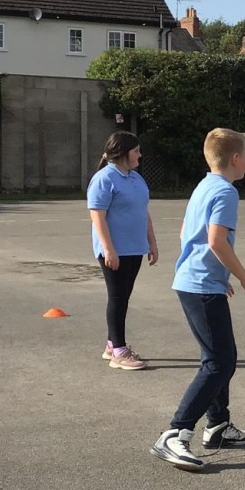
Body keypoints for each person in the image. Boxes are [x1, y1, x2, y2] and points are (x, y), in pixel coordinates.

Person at [151, 128, 245, 471]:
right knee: (220, 362)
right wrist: (244, 278)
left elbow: (187, 232)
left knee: (216, 357)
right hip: (199, 284)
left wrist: (218, 275)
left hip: (197, 281)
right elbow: (216, 240)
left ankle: (217, 426)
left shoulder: (205, 185)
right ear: (235, 159)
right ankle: (175, 433)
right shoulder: (227, 192)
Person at [87, 131, 158, 371]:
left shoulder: (136, 179)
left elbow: (143, 211)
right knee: (117, 298)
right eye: (136, 151)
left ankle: (111, 344)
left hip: (135, 247)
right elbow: (97, 215)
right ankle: (118, 349)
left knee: (124, 297)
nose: (140, 154)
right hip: (115, 250)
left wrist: (152, 243)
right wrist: (108, 249)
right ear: (123, 152)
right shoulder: (104, 178)